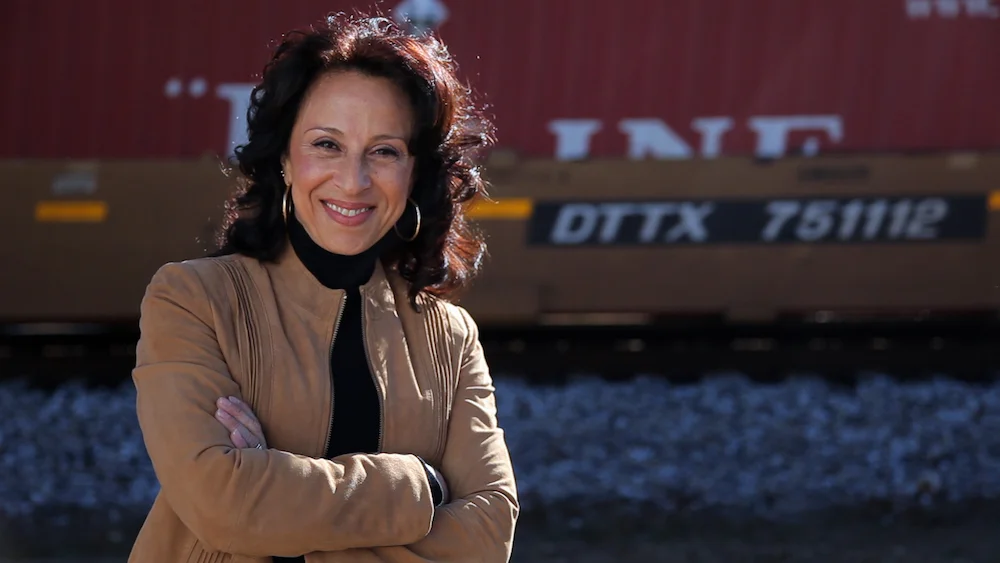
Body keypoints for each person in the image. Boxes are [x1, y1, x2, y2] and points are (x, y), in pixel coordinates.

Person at [127, 12, 518, 563]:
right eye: (327, 145)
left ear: (415, 173)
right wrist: (424, 486)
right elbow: (224, 508)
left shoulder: (450, 338)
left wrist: (279, 498)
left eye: (384, 151)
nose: (353, 181)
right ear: (284, 158)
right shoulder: (193, 300)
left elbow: (487, 536)